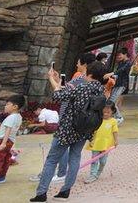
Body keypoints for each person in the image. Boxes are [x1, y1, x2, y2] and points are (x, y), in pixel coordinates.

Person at [31, 61, 108, 202]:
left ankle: (41, 193)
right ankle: (65, 192)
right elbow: (67, 93)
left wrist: (51, 79)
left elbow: (58, 97)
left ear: (90, 74)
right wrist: (58, 82)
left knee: (51, 160)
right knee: (75, 158)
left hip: (67, 129)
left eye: (86, 72)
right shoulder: (101, 90)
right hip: (85, 130)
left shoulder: (83, 87)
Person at [84, 102, 119, 183]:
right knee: (94, 160)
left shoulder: (113, 121)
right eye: (104, 112)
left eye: (108, 112)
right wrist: (90, 139)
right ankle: (92, 175)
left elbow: (115, 132)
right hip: (95, 143)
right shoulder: (98, 119)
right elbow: (92, 130)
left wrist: (116, 140)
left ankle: (98, 173)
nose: (106, 114)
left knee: (103, 162)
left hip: (105, 145)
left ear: (112, 112)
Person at [109, 48, 132, 122]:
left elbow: (121, 70)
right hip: (117, 84)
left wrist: (112, 73)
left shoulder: (128, 63)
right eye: (118, 55)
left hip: (122, 84)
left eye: (120, 55)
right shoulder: (121, 62)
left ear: (125, 54)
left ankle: (119, 117)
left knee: (112, 101)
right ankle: (116, 116)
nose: (118, 57)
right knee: (111, 101)